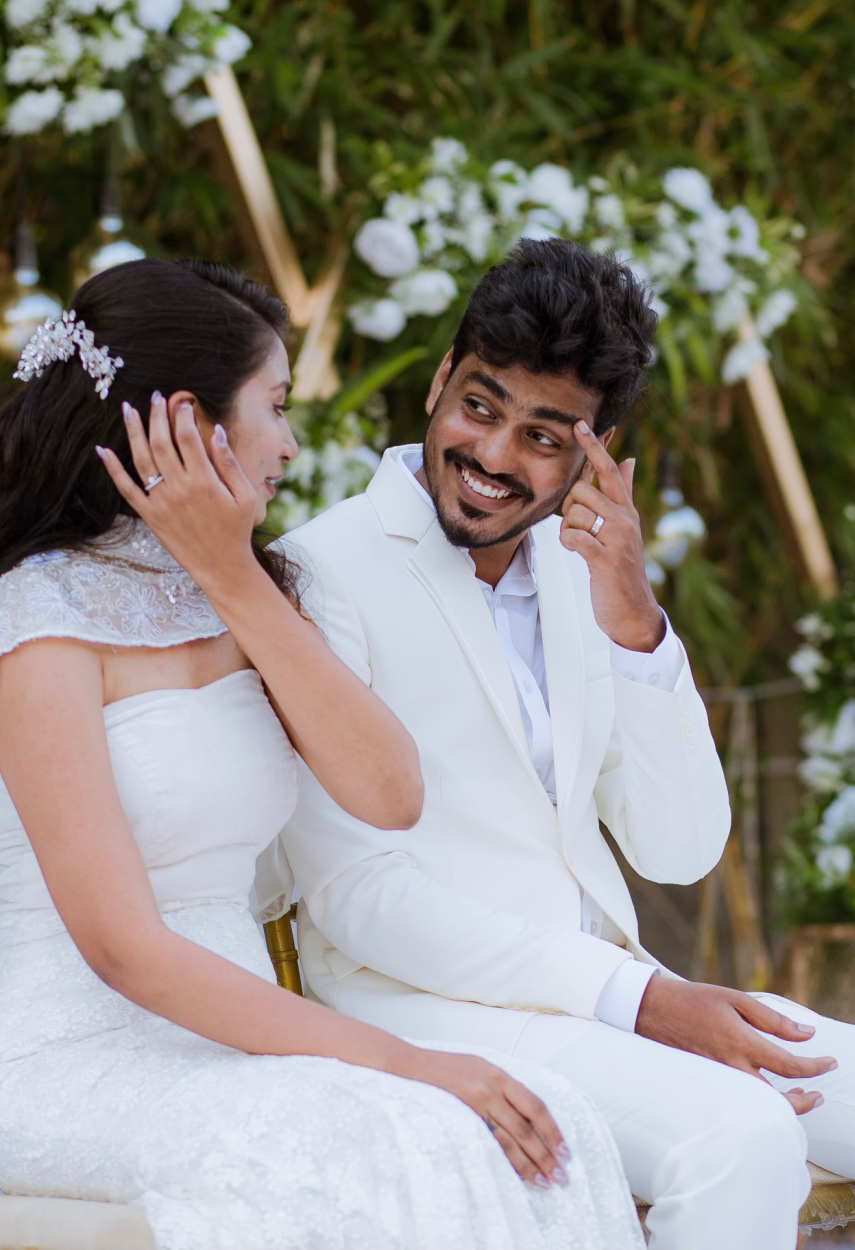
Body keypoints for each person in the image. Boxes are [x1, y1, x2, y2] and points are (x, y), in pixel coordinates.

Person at [0, 257, 645, 1250]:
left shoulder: (252, 590)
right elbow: (122, 946)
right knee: (394, 1132)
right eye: (277, 404)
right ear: (188, 422)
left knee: (540, 1124)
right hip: (81, 1058)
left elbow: (390, 790)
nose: (292, 444)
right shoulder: (38, 619)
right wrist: (399, 1058)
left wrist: (229, 573)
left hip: (237, 1050)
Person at [279, 238, 855, 1250]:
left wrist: (636, 624)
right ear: (439, 380)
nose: (491, 456)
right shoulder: (323, 572)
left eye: (542, 435)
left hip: (606, 1003)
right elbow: (358, 897)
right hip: (429, 1005)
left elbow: (679, 849)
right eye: (478, 407)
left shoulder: (583, 578)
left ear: (598, 448)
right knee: (739, 1136)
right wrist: (644, 1001)